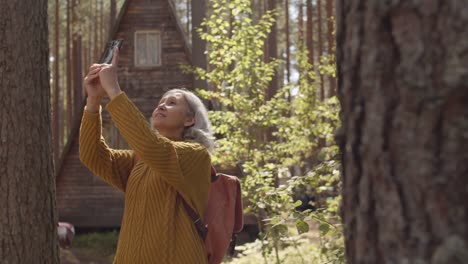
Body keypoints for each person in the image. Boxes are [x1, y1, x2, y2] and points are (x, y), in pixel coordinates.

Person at [80, 47, 214, 263]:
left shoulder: (196, 155)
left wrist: (114, 90)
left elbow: (153, 147)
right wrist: (93, 102)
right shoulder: (139, 160)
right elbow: (92, 155)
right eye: (161, 102)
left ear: (190, 120)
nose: (162, 105)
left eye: (172, 103)